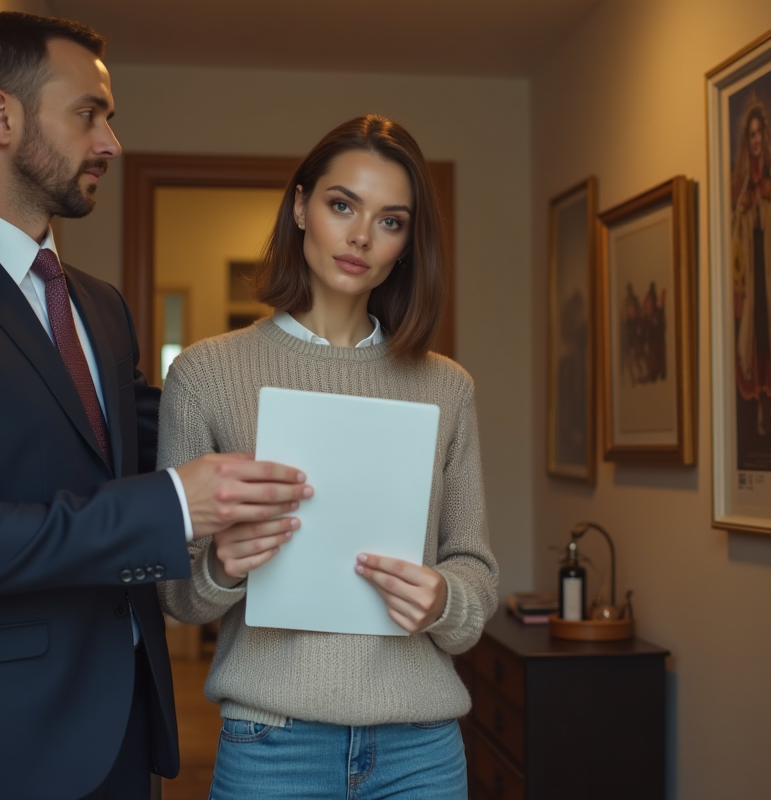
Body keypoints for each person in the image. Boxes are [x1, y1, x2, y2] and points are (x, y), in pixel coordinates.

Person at [0, 13, 310, 800]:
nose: (112, 142)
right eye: (89, 113)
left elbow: (168, 435)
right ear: (1, 117)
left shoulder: (102, 306)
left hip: (125, 726)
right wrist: (173, 503)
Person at [156, 115, 499, 799]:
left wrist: (442, 601)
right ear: (300, 208)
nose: (362, 237)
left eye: (391, 221)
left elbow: (475, 571)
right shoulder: (205, 373)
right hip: (271, 744)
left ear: (406, 246)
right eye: (342, 205)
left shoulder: (446, 387)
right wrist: (224, 564)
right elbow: (178, 596)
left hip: (422, 749)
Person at [731, 101, 771, 440]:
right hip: (753, 277)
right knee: (751, 341)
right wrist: (738, 286)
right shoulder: (742, 199)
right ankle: (758, 419)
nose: (755, 141)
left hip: (768, 273)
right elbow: (736, 243)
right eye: (750, 136)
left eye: (759, 135)